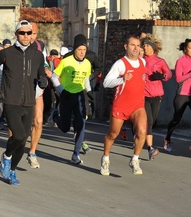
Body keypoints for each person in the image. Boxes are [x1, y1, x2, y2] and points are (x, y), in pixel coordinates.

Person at [0, 20, 47, 185]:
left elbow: (41, 74)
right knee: (18, 136)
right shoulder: (7, 53)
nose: (26, 36)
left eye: (29, 33)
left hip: (29, 102)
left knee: (22, 140)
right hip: (11, 101)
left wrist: (43, 81)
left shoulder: (37, 55)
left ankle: (12, 170)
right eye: (22, 33)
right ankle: (6, 156)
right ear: (16, 34)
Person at [100, 34, 147, 176]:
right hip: (121, 105)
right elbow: (106, 82)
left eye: (138, 46)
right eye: (133, 45)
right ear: (126, 47)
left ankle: (135, 159)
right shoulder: (120, 64)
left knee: (142, 131)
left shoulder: (143, 62)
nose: (136, 48)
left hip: (137, 105)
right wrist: (122, 79)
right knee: (112, 135)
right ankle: (105, 159)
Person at [49, 34, 92, 164]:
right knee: (65, 128)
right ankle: (55, 115)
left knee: (81, 124)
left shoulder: (87, 63)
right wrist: (62, 91)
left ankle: (76, 154)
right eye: (80, 49)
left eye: (84, 50)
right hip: (66, 96)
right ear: (74, 49)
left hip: (80, 96)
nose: (82, 52)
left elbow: (86, 79)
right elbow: (54, 77)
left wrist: (89, 92)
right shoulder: (66, 62)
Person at [142, 34, 172, 159]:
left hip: (156, 95)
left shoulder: (160, 61)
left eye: (148, 46)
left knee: (152, 122)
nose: (145, 48)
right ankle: (150, 147)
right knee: (148, 121)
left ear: (153, 48)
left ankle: (139, 134)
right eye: (144, 46)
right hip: (143, 95)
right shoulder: (141, 60)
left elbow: (169, 74)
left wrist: (162, 77)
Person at [26, 21, 49, 169]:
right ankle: (13, 147)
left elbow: (45, 62)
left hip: (36, 87)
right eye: (29, 33)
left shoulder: (41, 46)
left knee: (38, 121)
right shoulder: (18, 46)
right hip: (20, 88)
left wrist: (46, 70)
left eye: (34, 33)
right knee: (20, 123)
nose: (31, 36)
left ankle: (32, 153)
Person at [163, 38, 191, 152]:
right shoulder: (181, 61)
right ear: (185, 49)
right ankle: (167, 138)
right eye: (190, 47)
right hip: (182, 94)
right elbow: (178, 79)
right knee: (177, 118)